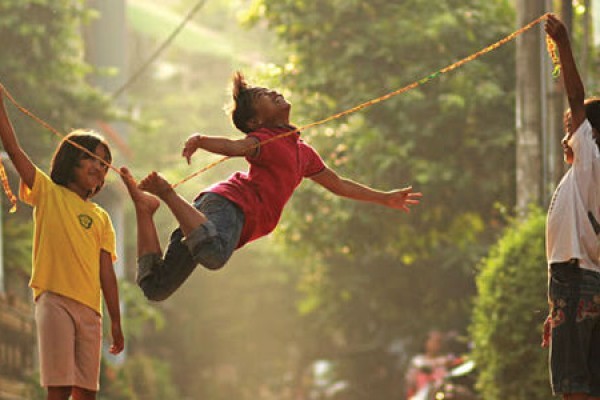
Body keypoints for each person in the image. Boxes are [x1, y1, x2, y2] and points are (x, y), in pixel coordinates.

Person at [120, 71, 422, 302]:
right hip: (229, 206)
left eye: (269, 90)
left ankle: (145, 208)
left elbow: (339, 184)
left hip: (209, 217)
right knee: (213, 255)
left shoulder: (303, 153)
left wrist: (384, 198)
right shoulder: (266, 139)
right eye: (264, 95)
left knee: (156, 288)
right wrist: (200, 140)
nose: (274, 92)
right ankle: (167, 194)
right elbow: (236, 146)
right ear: (255, 121)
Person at [0, 86, 124, 400]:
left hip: (90, 313)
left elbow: (106, 274)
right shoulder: (47, 192)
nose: (99, 166)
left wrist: (116, 321)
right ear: (71, 160)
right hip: (54, 300)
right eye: (91, 158)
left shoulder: (101, 217)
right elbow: (13, 149)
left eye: (104, 164)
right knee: (59, 387)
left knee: (86, 392)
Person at [543, 14, 600, 400]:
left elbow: (577, 99)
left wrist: (563, 46)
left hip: (577, 280)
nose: (568, 133)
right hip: (580, 282)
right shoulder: (585, 173)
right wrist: (554, 307)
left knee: (573, 388)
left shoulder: (590, 159)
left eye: (572, 126)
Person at [404, 330, 455, 400]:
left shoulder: (445, 360)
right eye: (433, 341)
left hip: (441, 392)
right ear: (426, 343)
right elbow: (421, 366)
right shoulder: (418, 360)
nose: (435, 345)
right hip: (422, 394)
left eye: (438, 342)